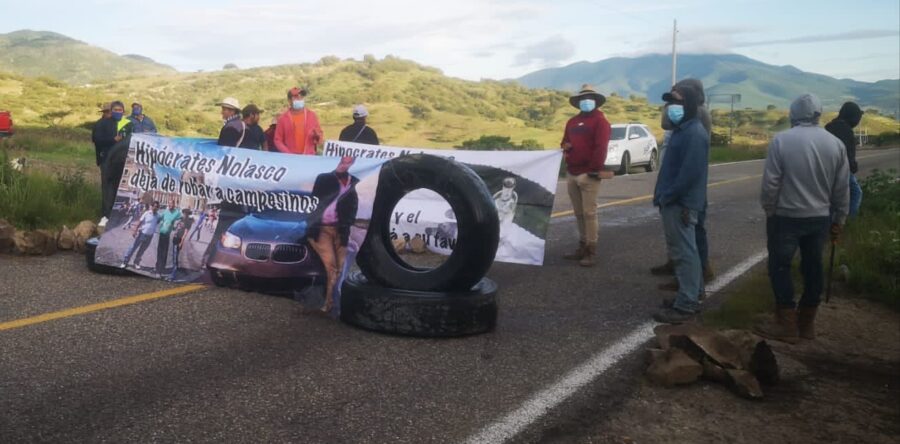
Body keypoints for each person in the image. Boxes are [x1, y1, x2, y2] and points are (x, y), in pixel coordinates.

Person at [756, 94, 849, 343]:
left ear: (793, 114)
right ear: (819, 114)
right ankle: (807, 325)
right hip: (820, 217)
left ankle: (787, 325)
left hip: (786, 216)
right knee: (813, 268)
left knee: (780, 267)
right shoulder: (835, 144)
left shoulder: (782, 140)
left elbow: (771, 183)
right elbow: (842, 188)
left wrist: (769, 209)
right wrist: (840, 217)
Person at [651, 80, 710, 324]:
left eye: (676, 102)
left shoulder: (694, 133)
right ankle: (690, 295)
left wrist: (668, 196)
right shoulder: (683, 130)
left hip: (681, 204)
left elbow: (688, 174)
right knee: (687, 252)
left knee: (684, 253)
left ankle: (685, 304)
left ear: (689, 104)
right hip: (677, 201)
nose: (671, 107)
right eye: (669, 102)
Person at [560, 84, 611, 267]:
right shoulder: (572, 122)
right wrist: (566, 147)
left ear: (596, 101)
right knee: (579, 213)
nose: (586, 101)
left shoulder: (601, 122)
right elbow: (564, 141)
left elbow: (601, 147)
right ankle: (582, 245)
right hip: (572, 172)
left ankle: (591, 249)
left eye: (589, 98)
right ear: (578, 102)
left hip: (588, 174)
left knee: (589, 213)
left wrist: (594, 169)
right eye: (582, 99)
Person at [308, 156, 359, 314]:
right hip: (322, 229)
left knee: (341, 268)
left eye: (348, 162)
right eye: (342, 161)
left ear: (353, 163)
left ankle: (334, 303)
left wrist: (349, 221)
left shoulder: (355, 182)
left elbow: (355, 204)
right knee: (331, 267)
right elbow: (316, 196)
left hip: (341, 230)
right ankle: (329, 303)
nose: (344, 164)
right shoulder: (324, 179)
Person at [93, 101, 134, 223]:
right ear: (111, 111)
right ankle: (106, 216)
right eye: (115, 110)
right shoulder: (101, 124)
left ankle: (118, 216)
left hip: (122, 162)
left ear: (123, 111)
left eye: (120, 110)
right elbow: (97, 140)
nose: (117, 112)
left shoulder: (128, 124)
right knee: (107, 188)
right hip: (107, 160)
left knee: (119, 188)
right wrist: (112, 140)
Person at [825, 102, 864, 217]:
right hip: (841, 169)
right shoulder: (846, 130)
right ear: (852, 117)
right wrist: (853, 167)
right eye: (858, 118)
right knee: (856, 193)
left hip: (826, 169)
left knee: (831, 200)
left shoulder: (829, 126)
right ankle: (847, 222)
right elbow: (848, 155)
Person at [273, 87, 323, 155]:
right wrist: (288, 153)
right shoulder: (283, 119)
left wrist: (318, 136)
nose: (299, 99)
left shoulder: (312, 115)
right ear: (289, 100)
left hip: (309, 157)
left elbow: (319, 137)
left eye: (301, 97)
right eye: (296, 97)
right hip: (290, 159)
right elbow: (277, 140)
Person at [121, 201, 160, 269]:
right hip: (142, 234)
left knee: (142, 250)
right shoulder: (147, 213)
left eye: (157, 207)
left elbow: (157, 223)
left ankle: (136, 263)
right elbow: (140, 221)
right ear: (152, 206)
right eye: (154, 206)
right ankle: (125, 262)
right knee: (133, 247)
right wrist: (135, 231)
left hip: (149, 236)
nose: (155, 208)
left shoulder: (158, 216)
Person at [155, 200, 182, 276]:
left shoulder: (177, 213)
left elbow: (181, 218)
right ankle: (158, 269)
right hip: (161, 234)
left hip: (167, 235)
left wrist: (177, 225)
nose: (170, 205)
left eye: (172, 204)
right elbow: (159, 219)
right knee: (160, 252)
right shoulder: (165, 211)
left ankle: (161, 269)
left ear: (174, 205)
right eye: (169, 204)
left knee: (164, 253)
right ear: (168, 204)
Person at [167, 209, 193, 281]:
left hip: (179, 239)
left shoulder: (188, 222)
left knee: (175, 256)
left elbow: (185, 233)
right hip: (175, 238)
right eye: (184, 213)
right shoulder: (180, 219)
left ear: (188, 214)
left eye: (186, 214)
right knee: (174, 256)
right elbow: (175, 227)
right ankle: (174, 270)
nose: (185, 215)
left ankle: (173, 274)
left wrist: (181, 242)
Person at [91, 102, 112, 167]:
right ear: (104, 112)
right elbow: (96, 140)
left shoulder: (114, 123)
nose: (110, 113)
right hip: (104, 155)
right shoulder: (99, 124)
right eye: (107, 112)